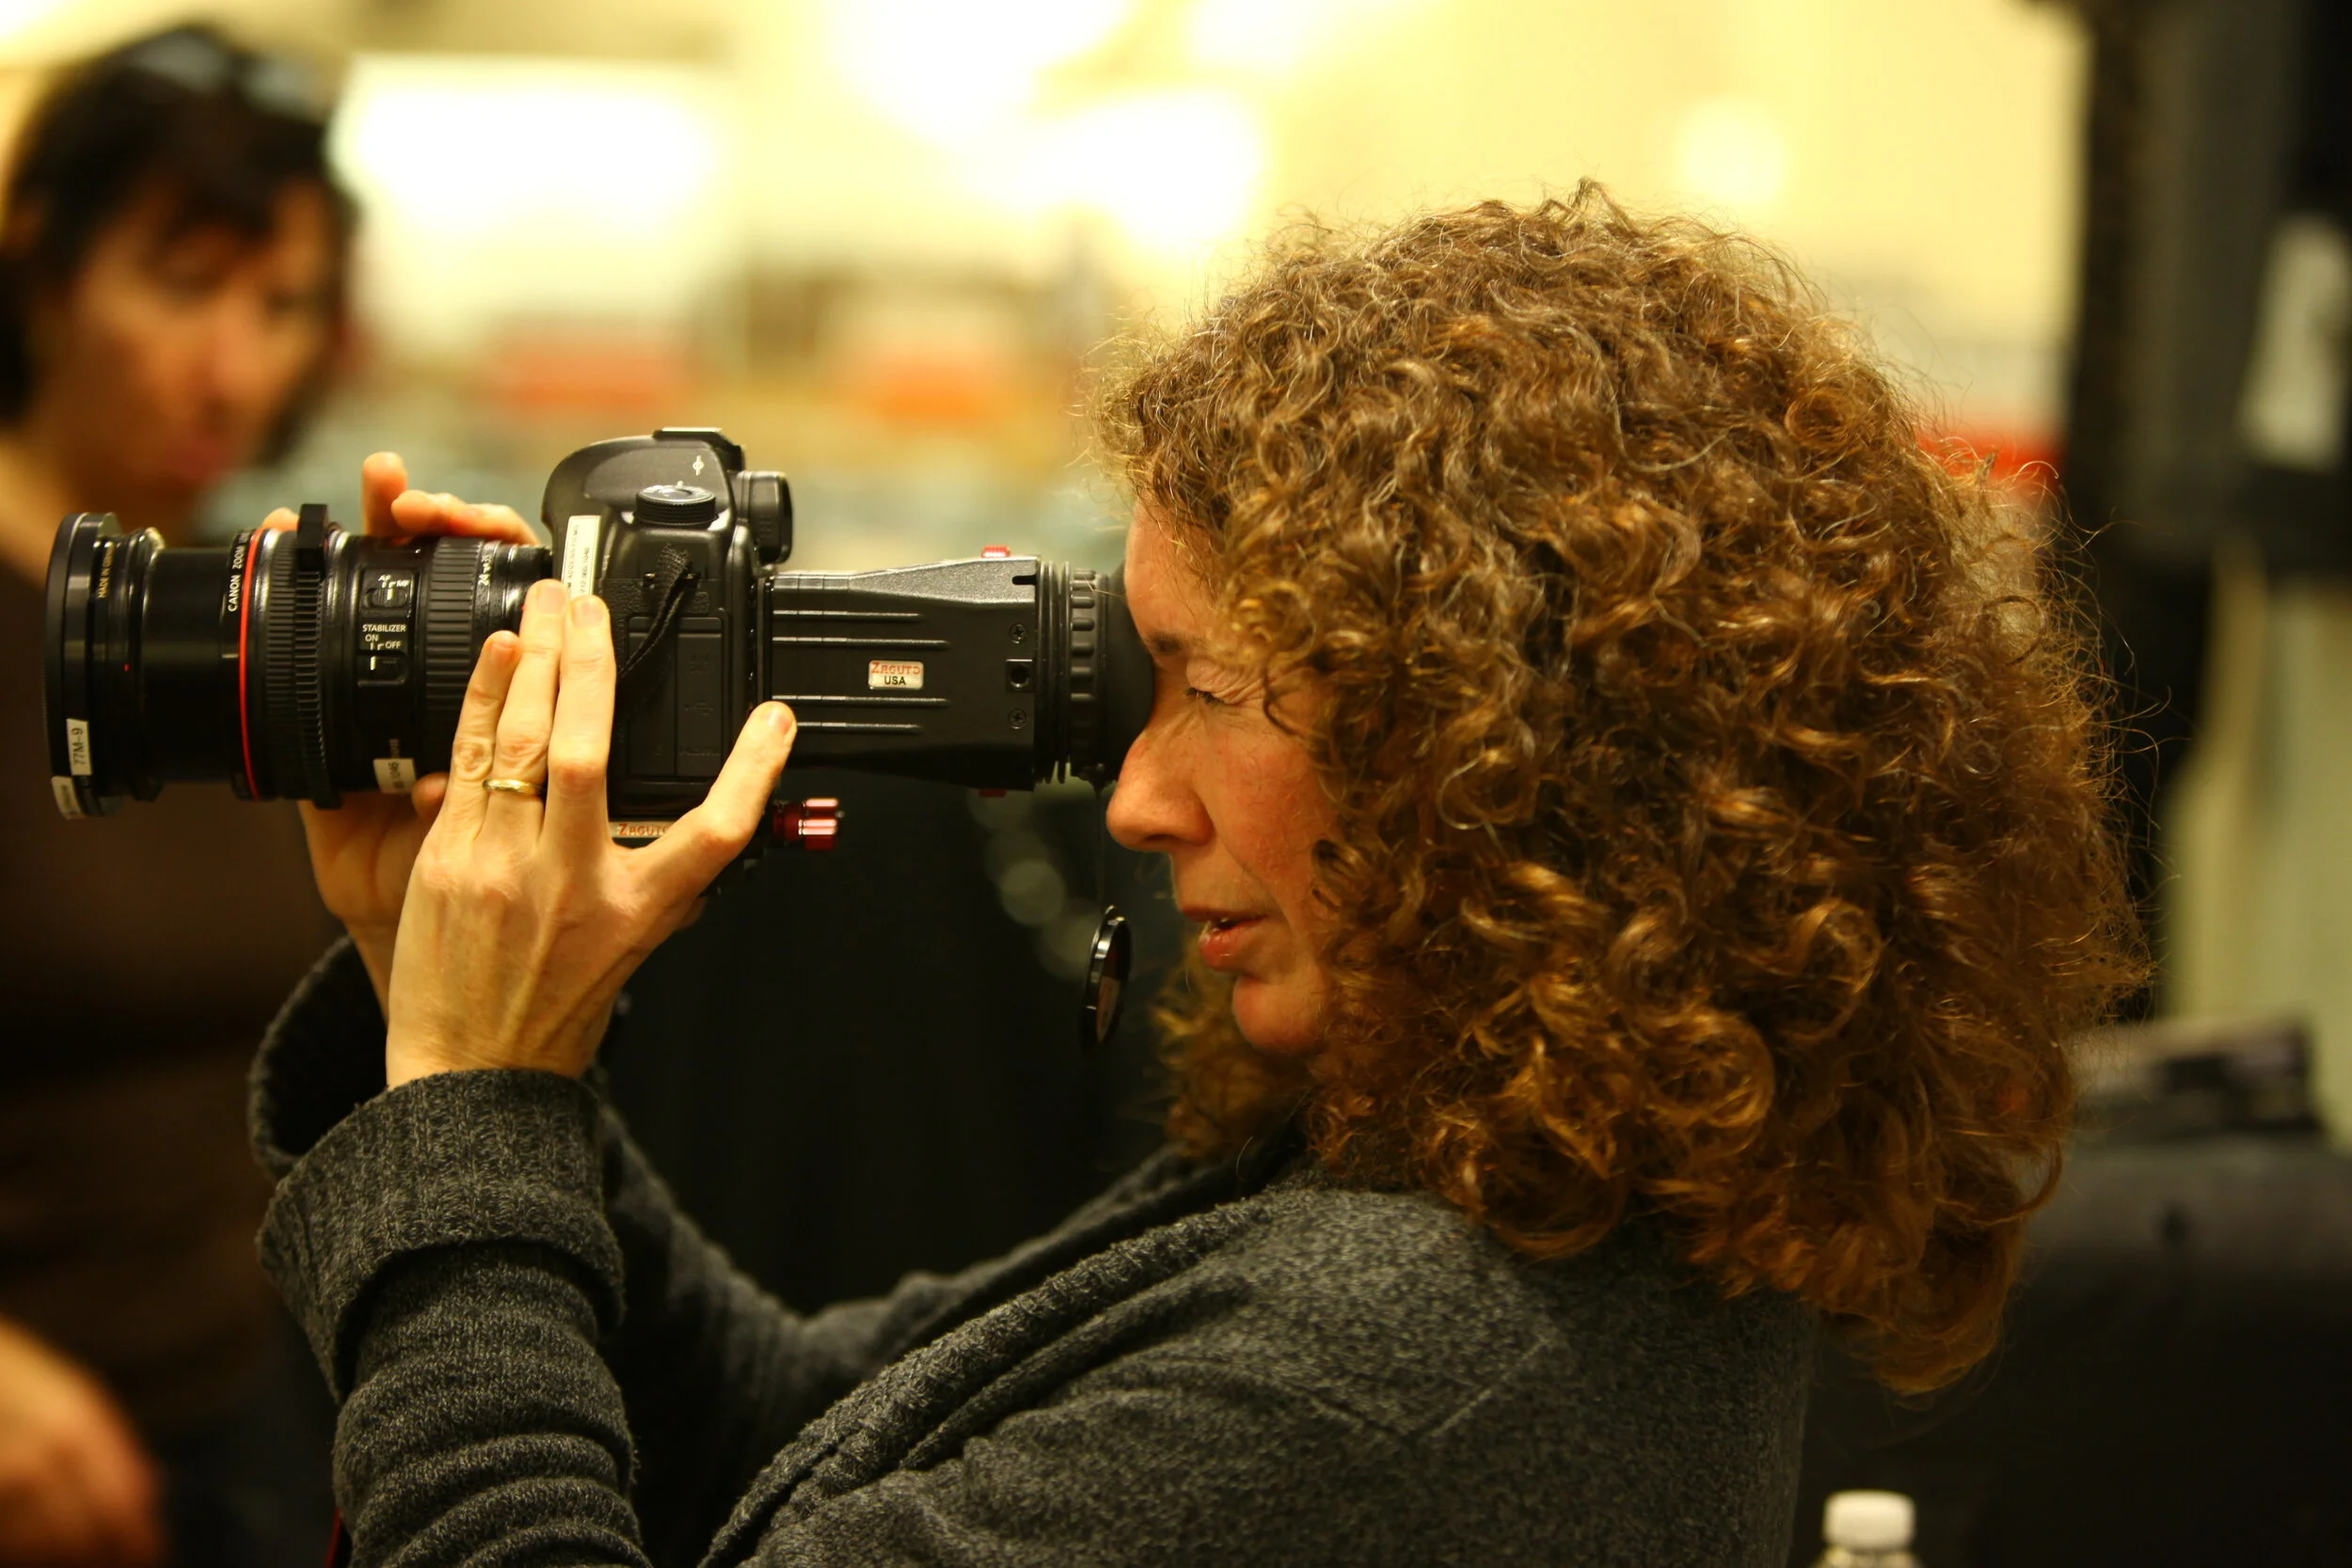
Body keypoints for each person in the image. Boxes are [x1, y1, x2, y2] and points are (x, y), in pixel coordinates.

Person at [244, 189, 2139, 1565]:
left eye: (1208, 691)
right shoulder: (1487, 1176)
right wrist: (447, 1006)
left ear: (1500, 749)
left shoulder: (1394, 1372)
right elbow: (794, 1417)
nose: (1136, 800)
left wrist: (474, 1107)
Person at [0, 25, 352, 1568]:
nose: (234, 369)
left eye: (281, 306)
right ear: (44, 268)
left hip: (243, 1428)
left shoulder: (261, 623)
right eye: (183, 285)